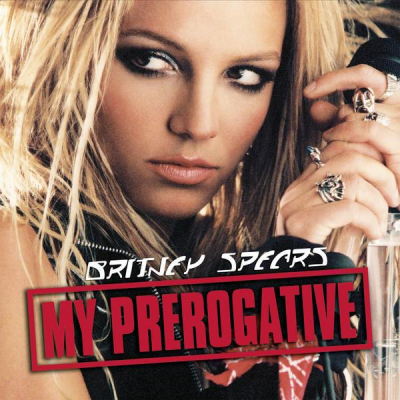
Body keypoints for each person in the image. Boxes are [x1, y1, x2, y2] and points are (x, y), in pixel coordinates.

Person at [1, 0, 399, 399]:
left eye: (244, 75)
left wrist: (377, 208)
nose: (198, 125)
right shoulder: (15, 254)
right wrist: (282, 318)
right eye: (150, 61)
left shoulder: (235, 258)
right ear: (66, 53)